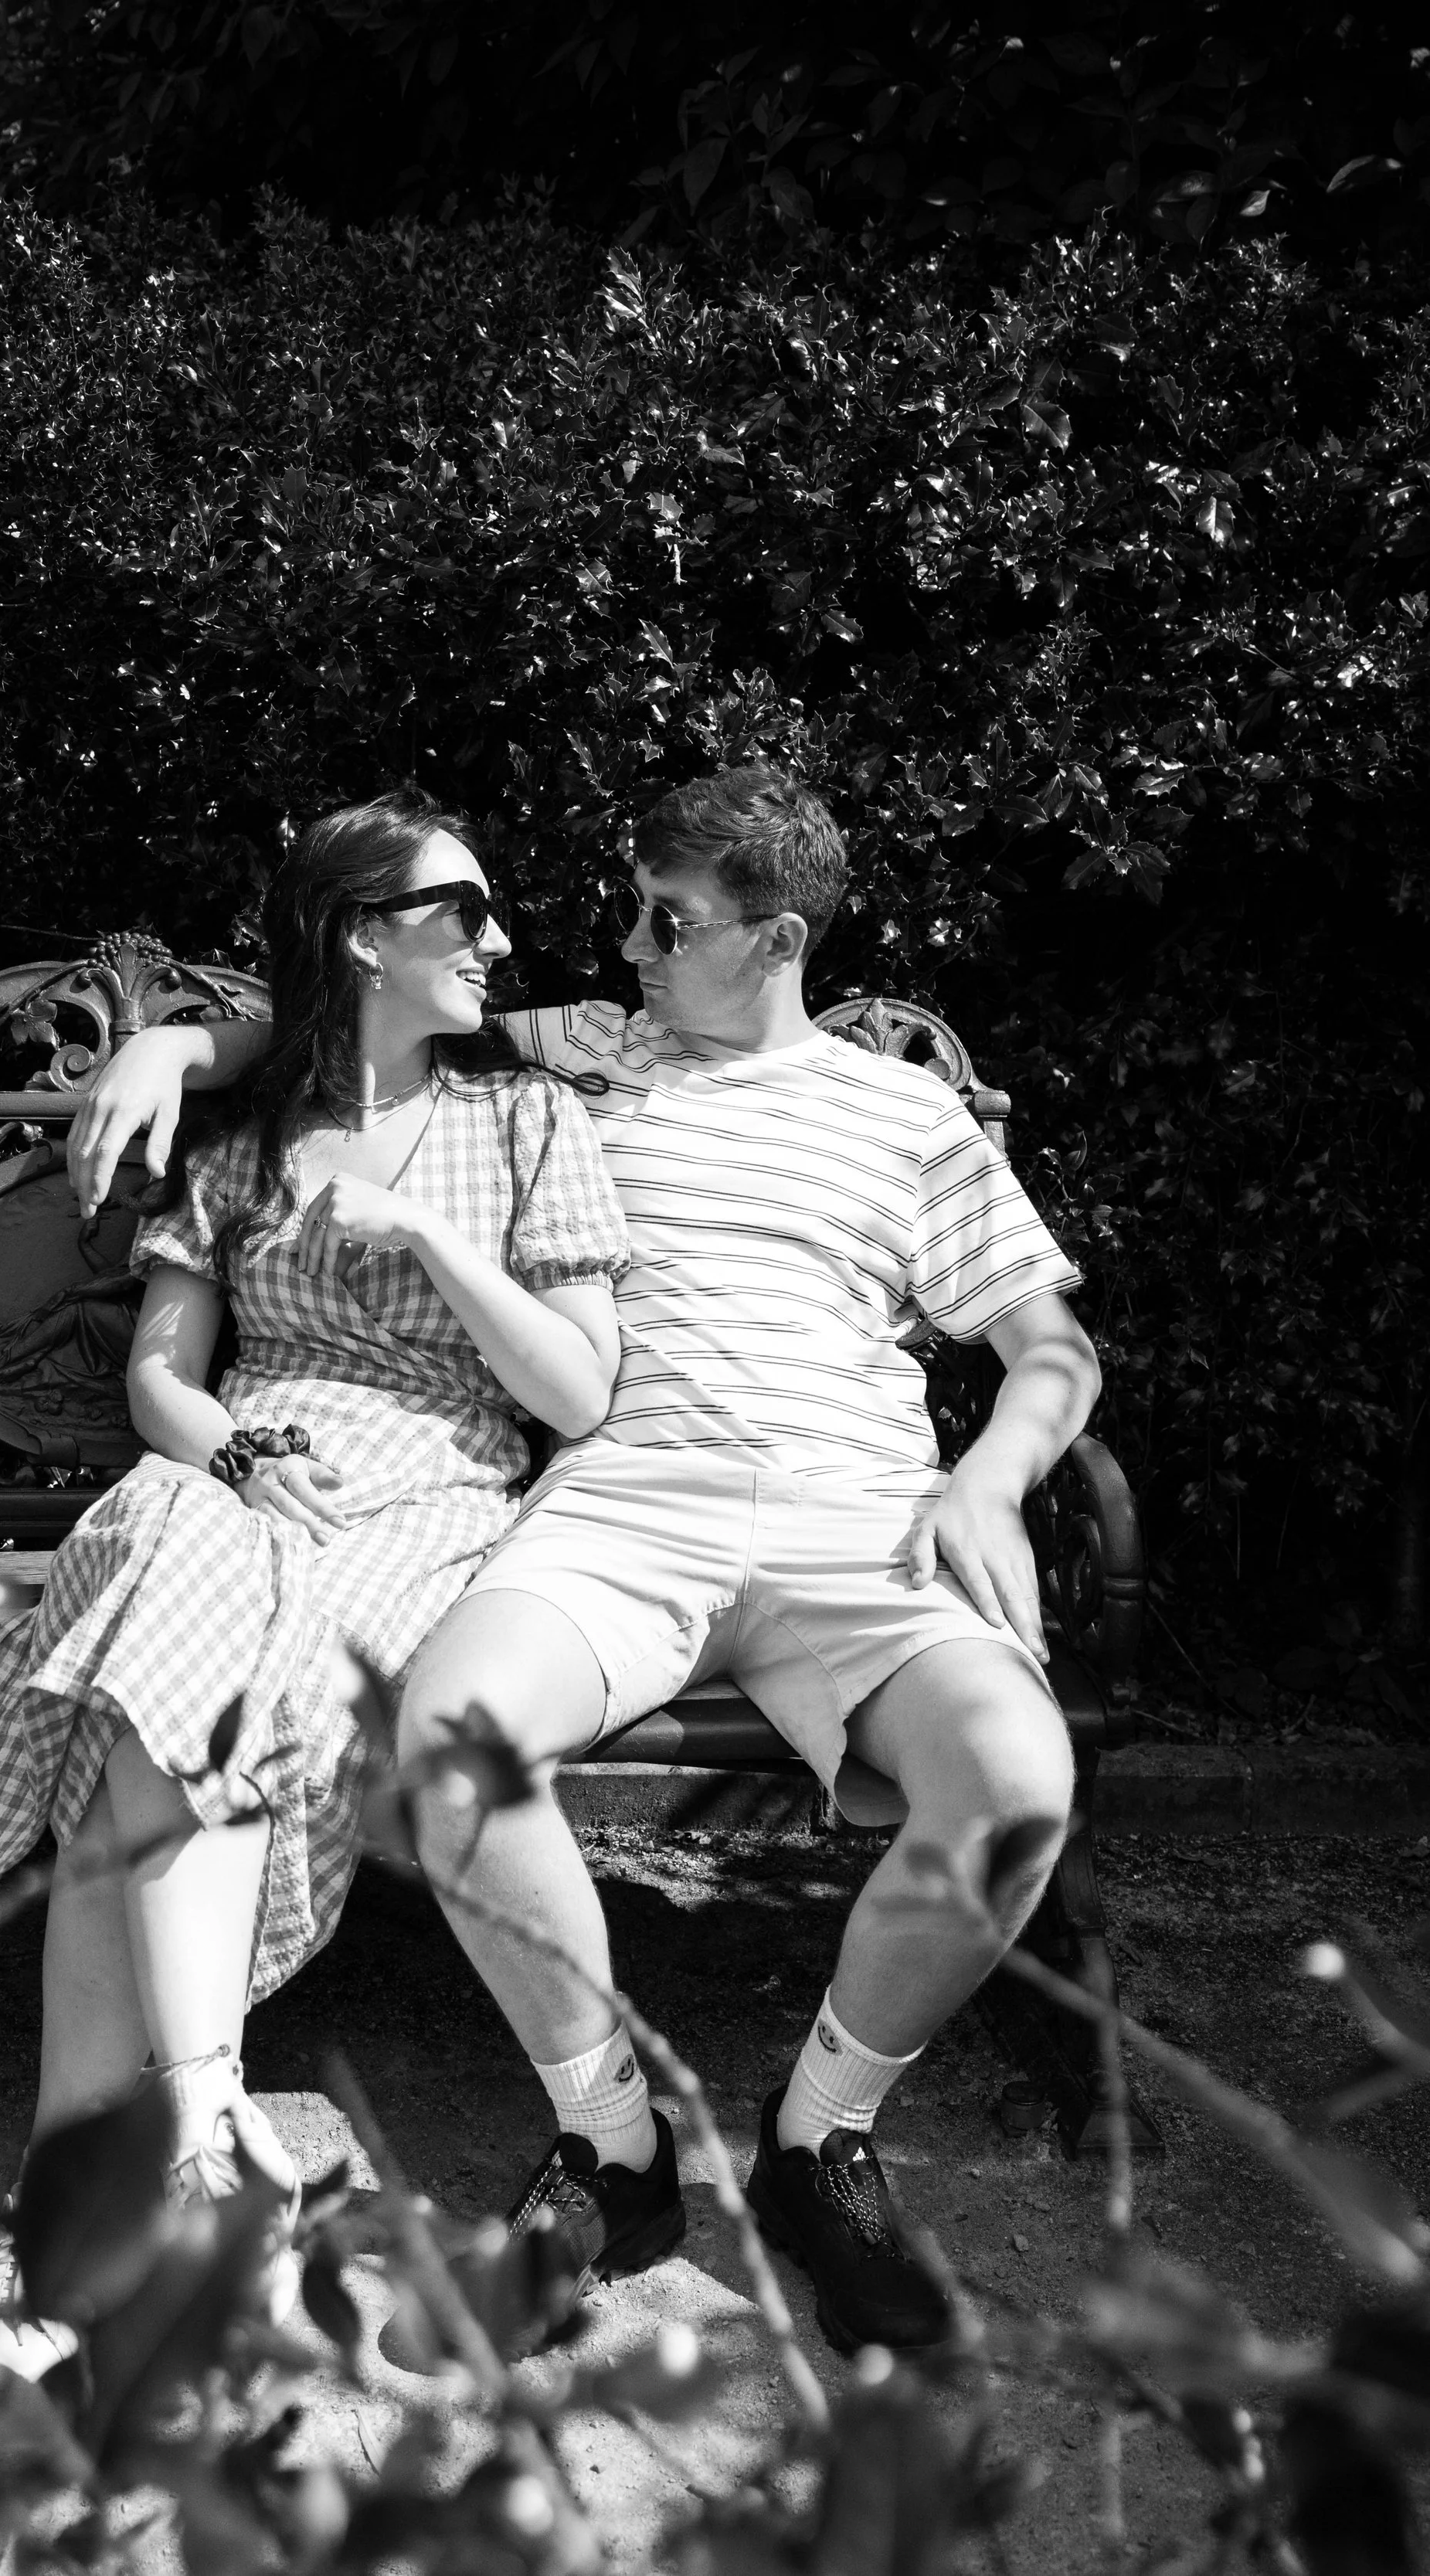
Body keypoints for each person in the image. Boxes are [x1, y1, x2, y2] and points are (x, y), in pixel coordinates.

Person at [65, 765, 1099, 2359]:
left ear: (772, 938)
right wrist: (172, 1035)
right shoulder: (583, 1051)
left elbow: (1047, 1342)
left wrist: (995, 1469)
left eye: (661, 919)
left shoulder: (906, 1115)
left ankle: (817, 2136)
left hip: (857, 1519)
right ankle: (612, 2147)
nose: (618, 942)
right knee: (452, 1739)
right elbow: (336, 1020)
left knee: (1015, 1785)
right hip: (625, 1506)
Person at [0, 790, 630, 2391]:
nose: (497, 940)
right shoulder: (246, 1138)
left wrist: (425, 1231)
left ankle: (79, 2213)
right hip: (236, 1475)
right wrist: (225, 1444)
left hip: (419, 1496)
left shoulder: (526, 1123)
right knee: (167, 1539)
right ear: (363, 934)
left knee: (129, 1722)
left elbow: (573, 1391)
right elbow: (160, 1375)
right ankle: (200, 2123)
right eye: (462, 910)